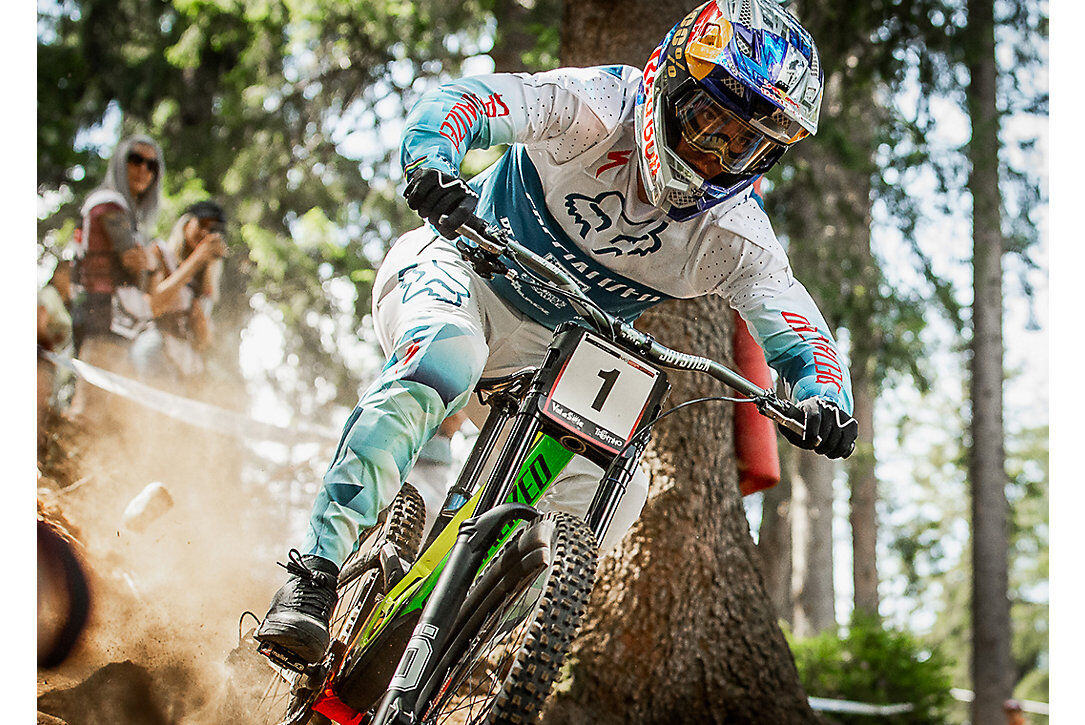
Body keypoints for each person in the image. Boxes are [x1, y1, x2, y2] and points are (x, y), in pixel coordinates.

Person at [256, 0, 859, 664]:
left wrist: (826, 400)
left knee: (618, 490)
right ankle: (312, 577)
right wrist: (431, 163)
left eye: (740, 144)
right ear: (669, 82)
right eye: (705, 120)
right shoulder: (595, 105)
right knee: (444, 361)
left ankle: (462, 647)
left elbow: (799, 326)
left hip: (549, 355)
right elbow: (464, 102)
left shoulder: (732, 233)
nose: (710, 152)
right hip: (458, 271)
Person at [68, 134, 164, 426]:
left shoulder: (126, 212)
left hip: (113, 318)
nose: (143, 170)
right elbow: (133, 261)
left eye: (152, 165)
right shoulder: (109, 204)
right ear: (121, 162)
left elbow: (143, 266)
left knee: (111, 413)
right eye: (136, 160)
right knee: (90, 407)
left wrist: (148, 263)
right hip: (102, 313)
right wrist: (149, 263)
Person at [130, 200, 228, 384]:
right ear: (187, 223)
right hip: (154, 347)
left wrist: (202, 330)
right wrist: (196, 260)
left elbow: (204, 341)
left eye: (213, 230)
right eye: (202, 224)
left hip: (186, 363)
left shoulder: (207, 281)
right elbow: (154, 305)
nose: (205, 233)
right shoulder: (160, 253)